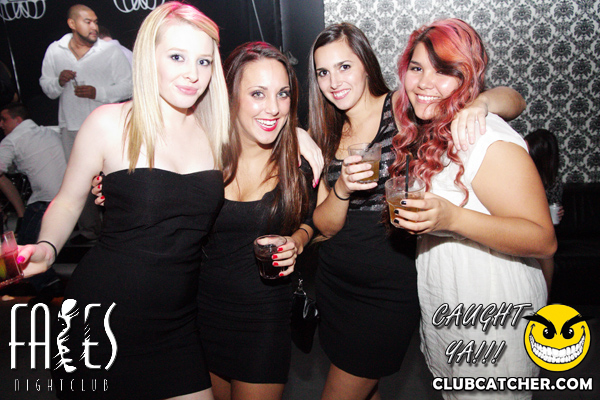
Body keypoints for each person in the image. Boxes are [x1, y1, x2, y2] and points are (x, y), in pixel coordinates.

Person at [18, 2, 229, 399]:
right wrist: (46, 249)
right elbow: (67, 201)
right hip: (100, 318)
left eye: (204, 61)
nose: (192, 73)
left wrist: (300, 139)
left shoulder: (217, 133)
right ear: (149, 57)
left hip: (179, 324)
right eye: (177, 57)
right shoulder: (109, 123)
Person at [308, 22, 527, 400]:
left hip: (387, 291)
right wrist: (341, 187)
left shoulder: (403, 107)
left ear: (366, 65)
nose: (334, 81)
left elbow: (515, 100)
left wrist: (480, 105)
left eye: (344, 66)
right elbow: (324, 226)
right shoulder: (325, 131)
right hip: (335, 285)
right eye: (323, 72)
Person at [390, 19, 556, 399]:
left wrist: (454, 219)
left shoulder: (486, 137)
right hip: (454, 308)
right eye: (417, 68)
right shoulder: (432, 129)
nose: (425, 82)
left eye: (444, 71)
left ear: (467, 77)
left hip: (493, 317)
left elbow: (544, 240)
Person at [197, 42, 314, 400]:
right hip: (201, 315)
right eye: (258, 94)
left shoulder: (299, 161)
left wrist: (298, 239)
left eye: (283, 94)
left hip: (264, 321)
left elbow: (318, 221)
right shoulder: (201, 158)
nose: (273, 108)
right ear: (231, 97)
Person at [39, 4, 132, 244]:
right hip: (71, 127)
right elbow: (47, 87)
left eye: (95, 22)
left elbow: (129, 85)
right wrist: (58, 81)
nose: (94, 27)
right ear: (72, 24)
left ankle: (120, 233)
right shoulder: (55, 51)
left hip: (106, 127)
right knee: (78, 185)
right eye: (88, 22)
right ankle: (90, 234)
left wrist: (97, 92)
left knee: (114, 179)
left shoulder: (110, 51)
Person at [0, 102, 66, 304]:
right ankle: (49, 284)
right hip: (65, 196)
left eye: (4, 119)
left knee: (24, 244)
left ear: (18, 120)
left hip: (45, 200)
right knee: (33, 241)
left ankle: (48, 285)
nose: (1, 124)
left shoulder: (12, 140)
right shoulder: (49, 132)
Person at [525, 128, 563, 290]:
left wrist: (558, 212)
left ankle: (546, 296)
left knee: (546, 252)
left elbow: (554, 207)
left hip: (541, 228)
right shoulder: (519, 174)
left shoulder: (552, 181)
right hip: (523, 224)